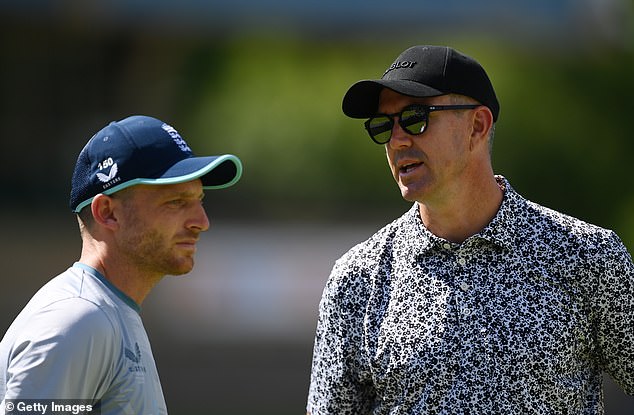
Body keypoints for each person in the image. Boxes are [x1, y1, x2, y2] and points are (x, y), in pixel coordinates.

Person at [306, 45, 634, 414]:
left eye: (415, 118)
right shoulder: (356, 279)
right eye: (384, 126)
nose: (397, 140)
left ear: (477, 126)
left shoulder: (589, 257)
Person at [0, 115, 242, 414]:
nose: (201, 222)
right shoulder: (77, 321)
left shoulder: (107, 313)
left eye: (199, 200)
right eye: (176, 202)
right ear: (108, 212)